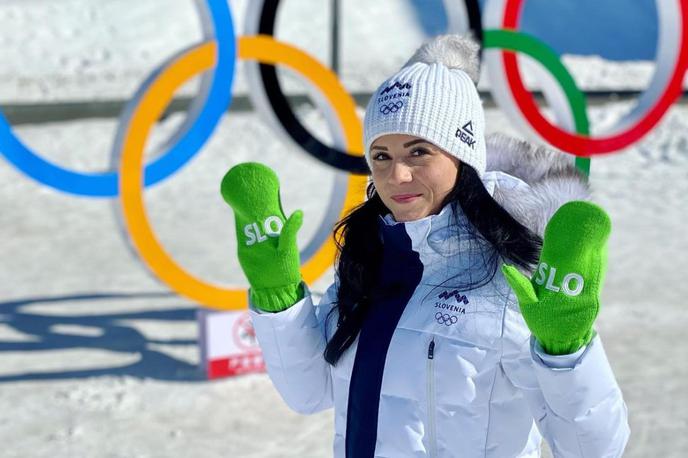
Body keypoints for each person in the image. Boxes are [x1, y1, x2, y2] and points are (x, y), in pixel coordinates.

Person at [221, 35, 630, 458]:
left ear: (462, 156)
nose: (396, 175)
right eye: (381, 155)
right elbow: (309, 393)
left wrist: (567, 350)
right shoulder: (368, 252)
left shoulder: (508, 273)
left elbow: (595, 450)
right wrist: (278, 294)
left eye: (419, 152)